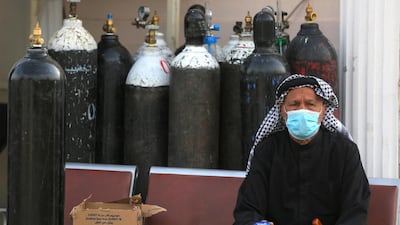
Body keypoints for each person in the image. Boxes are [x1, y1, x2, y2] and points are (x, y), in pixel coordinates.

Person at [233, 74, 370, 225]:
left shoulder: (344, 151)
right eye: (294, 104)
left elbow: (355, 211)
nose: (302, 110)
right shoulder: (268, 150)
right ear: (283, 110)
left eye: (310, 104)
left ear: (323, 111)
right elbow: (248, 208)